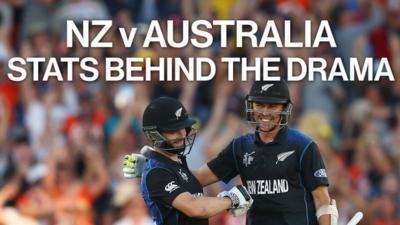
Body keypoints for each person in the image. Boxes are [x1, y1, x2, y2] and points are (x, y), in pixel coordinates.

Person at [124, 82, 362, 225]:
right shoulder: (240, 147)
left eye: (272, 106)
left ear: (284, 109)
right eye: (260, 104)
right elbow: (196, 178)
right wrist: (154, 165)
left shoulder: (303, 146)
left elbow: (322, 199)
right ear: (252, 106)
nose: (265, 112)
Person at [125, 96, 253, 225]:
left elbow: (199, 177)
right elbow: (196, 208)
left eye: (184, 128)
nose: (182, 135)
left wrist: (235, 154)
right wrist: (231, 199)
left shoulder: (172, 164)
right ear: (152, 134)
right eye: (173, 130)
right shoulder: (157, 172)